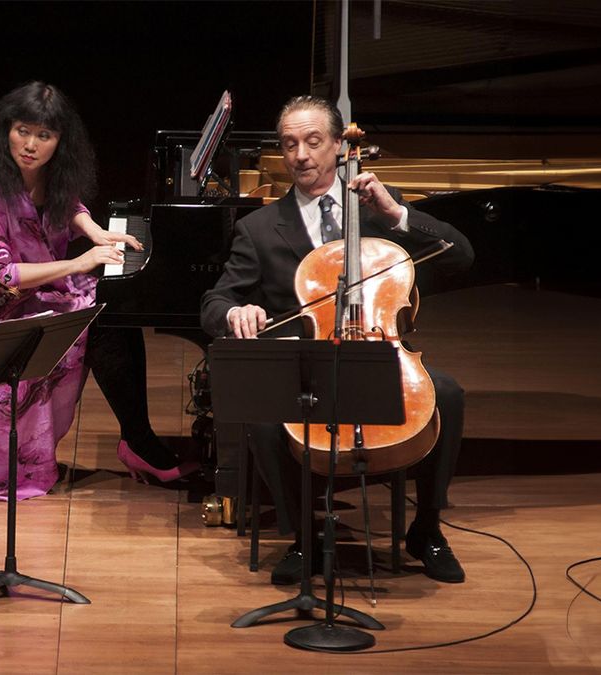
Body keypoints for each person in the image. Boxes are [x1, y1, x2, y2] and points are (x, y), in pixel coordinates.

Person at [200, 95, 475, 585]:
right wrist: (236, 310)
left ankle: (427, 530)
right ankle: (304, 540)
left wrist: (396, 213)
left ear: (336, 145)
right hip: (307, 368)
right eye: (290, 145)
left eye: (313, 141)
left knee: (447, 395)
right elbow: (214, 303)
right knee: (264, 420)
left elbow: (461, 256)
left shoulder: (375, 214)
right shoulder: (259, 229)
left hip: (377, 356)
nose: (301, 155)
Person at [0, 81, 197, 501]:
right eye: (23, 131)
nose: (30, 145)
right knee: (101, 319)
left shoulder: (50, 172)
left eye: (44, 136)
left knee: (112, 311)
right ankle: (138, 441)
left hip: (37, 296)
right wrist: (80, 263)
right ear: (6, 129)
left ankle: (138, 439)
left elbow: (70, 205)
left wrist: (94, 230)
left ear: (60, 141)